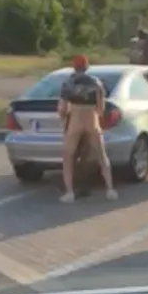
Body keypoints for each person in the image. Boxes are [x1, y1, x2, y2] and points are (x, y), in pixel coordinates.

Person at [58, 55, 118, 203]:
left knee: (68, 156)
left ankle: (69, 192)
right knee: (101, 155)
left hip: (75, 119)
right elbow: (101, 107)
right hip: (92, 118)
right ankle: (110, 189)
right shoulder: (96, 83)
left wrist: (63, 120)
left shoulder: (68, 83)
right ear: (87, 67)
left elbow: (62, 108)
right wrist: (97, 115)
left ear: (74, 66)